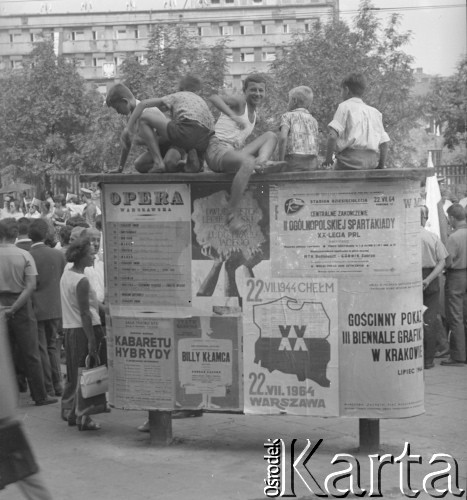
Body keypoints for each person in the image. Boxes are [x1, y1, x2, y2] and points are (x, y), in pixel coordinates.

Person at [205, 73, 285, 232]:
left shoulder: (255, 115)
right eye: (253, 90)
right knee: (248, 161)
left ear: (265, 92)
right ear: (245, 91)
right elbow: (213, 97)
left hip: (232, 151)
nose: (257, 94)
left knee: (271, 136)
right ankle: (232, 213)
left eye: (261, 90)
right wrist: (234, 116)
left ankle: (262, 163)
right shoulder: (240, 102)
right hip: (217, 148)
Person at [0, 218, 57, 406]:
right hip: (22, 304)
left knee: (4, 353)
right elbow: (31, 286)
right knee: (31, 352)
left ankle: (8, 395)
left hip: (1, 303)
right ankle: (39, 394)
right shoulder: (25, 256)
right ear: (16, 234)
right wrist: (16, 307)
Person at [106, 81, 214, 174]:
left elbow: (167, 137)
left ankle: (172, 163)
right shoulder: (132, 117)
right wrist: (120, 168)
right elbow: (127, 143)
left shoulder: (148, 111)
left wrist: (141, 140)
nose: (118, 112)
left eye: (117, 108)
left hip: (174, 145)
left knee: (170, 162)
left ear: (125, 101)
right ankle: (178, 166)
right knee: (139, 165)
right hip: (162, 149)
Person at [60, 237, 105, 430]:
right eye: (90, 253)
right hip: (85, 330)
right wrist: (92, 341)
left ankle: (73, 412)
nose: (93, 256)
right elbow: (86, 312)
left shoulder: (66, 276)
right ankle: (85, 416)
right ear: (80, 256)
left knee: (75, 373)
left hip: (71, 329)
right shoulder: (82, 280)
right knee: (89, 372)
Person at [29, 219, 66, 397]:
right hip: (55, 307)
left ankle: (48, 386)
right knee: (53, 346)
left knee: (41, 347)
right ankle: (58, 384)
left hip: (35, 308)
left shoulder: (29, 255)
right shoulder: (58, 255)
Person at [324, 73, 390, 170]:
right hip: (371, 163)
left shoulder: (344, 106)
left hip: (349, 162)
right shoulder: (375, 112)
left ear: (346, 90)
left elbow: (332, 136)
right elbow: (384, 143)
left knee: (329, 175)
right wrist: (380, 166)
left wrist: (328, 160)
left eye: (341, 90)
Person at [420, 206, 449, 369]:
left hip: (409, 277)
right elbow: (442, 261)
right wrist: (428, 279)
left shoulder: (405, 237)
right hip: (430, 278)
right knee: (429, 319)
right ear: (425, 219)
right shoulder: (432, 237)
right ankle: (428, 360)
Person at [441, 203, 467, 366]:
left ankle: (458, 355)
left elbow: (448, 261)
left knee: (455, 316)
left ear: (451, 218)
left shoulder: (454, 237)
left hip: (457, 276)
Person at [278, 85, 319, 171]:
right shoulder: (314, 120)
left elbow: (283, 138)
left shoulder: (287, 116)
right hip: (312, 162)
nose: (288, 103)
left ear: (294, 101)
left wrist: (280, 162)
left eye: (288, 100)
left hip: (293, 161)